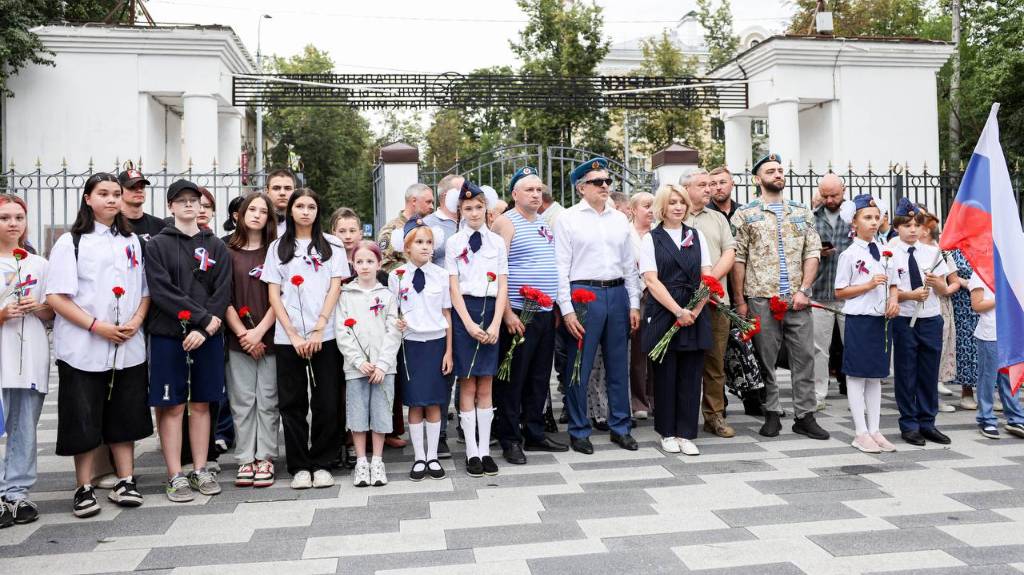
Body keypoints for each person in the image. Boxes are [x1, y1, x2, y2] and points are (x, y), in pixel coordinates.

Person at [46, 173, 152, 518]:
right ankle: (84, 486)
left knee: (125, 414)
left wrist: (136, 320)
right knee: (83, 416)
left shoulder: (131, 241)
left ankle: (126, 480)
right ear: (88, 199)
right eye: (103, 193)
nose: (111, 199)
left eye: (116, 194)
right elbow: (56, 297)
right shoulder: (72, 242)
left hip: (127, 343)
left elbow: (145, 290)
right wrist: (96, 326)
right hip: (84, 346)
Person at [730, 153, 826, 440]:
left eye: (780, 170)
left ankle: (805, 415)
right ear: (757, 179)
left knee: (804, 357)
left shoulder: (801, 211)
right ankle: (771, 412)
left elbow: (813, 252)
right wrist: (740, 301)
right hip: (761, 297)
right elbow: (738, 259)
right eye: (771, 171)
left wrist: (804, 290)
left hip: (797, 299)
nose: (778, 174)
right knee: (766, 358)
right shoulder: (745, 214)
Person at [145, 179, 230, 502]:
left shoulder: (215, 245)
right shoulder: (157, 244)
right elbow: (162, 290)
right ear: (170, 206)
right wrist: (201, 318)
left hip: (206, 336)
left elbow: (222, 290)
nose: (189, 205)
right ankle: (175, 474)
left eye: (194, 200)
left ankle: (200, 468)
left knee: (202, 403)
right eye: (181, 200)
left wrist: (205, 328)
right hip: (169, 335)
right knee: (173, 406)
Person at [555, 157, 641, 454]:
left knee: (618, 366)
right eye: (597, 182)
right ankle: (579, 429)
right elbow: (560, 267)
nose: (605, 186)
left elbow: (629, 266)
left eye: (607, 181)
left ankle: (620, 426)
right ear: (581, 188)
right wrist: (567, 309)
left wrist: (634, 303)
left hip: (616, 293)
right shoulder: (568, 218)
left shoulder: (619, 219)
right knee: (579, 365)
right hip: (583, 293)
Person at [264, 188, 347, 489]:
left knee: (326, 400)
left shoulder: (333, 244)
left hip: (325, 335)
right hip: (289, 338)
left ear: (318, 211)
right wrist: (294, 335)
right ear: (291, 210)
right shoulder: (277, 247)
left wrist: (319, 328)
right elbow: (274, 294)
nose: (305, 211)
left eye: (311, 206)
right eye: (300, 206)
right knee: (292, 403)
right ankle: (299, 465)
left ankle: (323, 461)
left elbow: (335, 287)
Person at [491, 167, 568, 465]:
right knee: (514, 378)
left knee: (539, 376)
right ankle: (510, 438)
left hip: (544, 312)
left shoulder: (544, 222)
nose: (536, 195)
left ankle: (534, 432)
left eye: (539, 190)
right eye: (529, 190)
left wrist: (556, 306)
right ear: (514, 194)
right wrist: (507, 313)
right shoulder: (505, 222)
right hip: (519, 313)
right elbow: (499, 271)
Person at [640, 184, 712, 455]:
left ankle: (686, 433)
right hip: (664, 311)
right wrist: (677, 311)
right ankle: (667, 432)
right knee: (665, 375)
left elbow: (707, 276)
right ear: (662, 207)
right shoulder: (651, 239)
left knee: (691, 376)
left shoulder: (697, 235)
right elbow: (651, 280)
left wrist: (695, 309)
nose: (678, 207)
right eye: (672, 202)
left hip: (694, 312)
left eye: (682, 202)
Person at [446, 182, 508, 477]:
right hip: (465, 314)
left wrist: (496, 323)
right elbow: (453, 287)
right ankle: (471, 450)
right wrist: (469, 324)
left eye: (478, 207)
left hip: (491, 310)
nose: (473, 212)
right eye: (468, 208)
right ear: (460, 210)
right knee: (468, 383)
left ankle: (485, 449)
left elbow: (503, 285)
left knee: (486, 384)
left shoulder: (496, 242)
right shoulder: (454, 243)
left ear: (486, 209)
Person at [0, 194, 53, 526]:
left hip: (30, 355)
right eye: (5, 218)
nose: (13, 223)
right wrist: (3, 314)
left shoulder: (38, 264)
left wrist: (39, 307)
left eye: (18, 217)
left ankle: (16, 493)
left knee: (24, 428)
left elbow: (52, 311)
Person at [833, 194, 898, 453]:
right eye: (867, 217)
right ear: (854, 222)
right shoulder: (849, 254)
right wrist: (868, 285)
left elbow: (893, 283)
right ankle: (860, 432)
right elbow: (840, 291)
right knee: (857, 375)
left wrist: (893, 300)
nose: (873, 222)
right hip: (860, 320)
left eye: (876, 217)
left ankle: (875, 429)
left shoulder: (884, 251)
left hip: (881, 320)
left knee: (875, 376)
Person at [223, 192, 279, 488]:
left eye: (263, 211)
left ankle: (265, 457)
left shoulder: (276, 251)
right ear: (241, 214)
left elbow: (281, 297)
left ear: (270, 218)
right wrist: (244, 334)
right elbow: (223, 297)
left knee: (267, 400)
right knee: (242, 401)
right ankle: (245, 458)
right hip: (239, 339)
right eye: (252, 209)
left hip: (270, 336)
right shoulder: (227, 251)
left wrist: (259, 333)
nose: (257, 215)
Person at [389, 219, 453, 480]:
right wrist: (397, 321)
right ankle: (419, 457)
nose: (425, 247)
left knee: (434, 402)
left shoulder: (441, 275)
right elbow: (392, 311)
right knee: (415, 403)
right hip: (410, 345)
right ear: (407, 247)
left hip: (436, 344)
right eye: (419, 242)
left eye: (429, 242)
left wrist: (449, 351)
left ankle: (433, 456)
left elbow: (446, 313)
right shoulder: (396, 276)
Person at [888, 197, 954, 446]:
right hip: (905, 320)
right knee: (906, 373)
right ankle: (909, 423)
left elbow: (946, 288)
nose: (913, 229)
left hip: (931, 319)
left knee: (928, 372)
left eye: (917, 225)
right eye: (907, 225)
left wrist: (937, 283)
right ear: (897, 227)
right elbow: (887, 292)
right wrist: (909, 295)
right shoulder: (889, 254)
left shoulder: (933, 253)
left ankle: (928, 422)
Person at [337, 241, 402, 486]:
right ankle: (361, 462)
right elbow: (342, 332)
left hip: (383, 368)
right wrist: (358, 361)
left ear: (379, 264)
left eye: (370, 261)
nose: (365, 266)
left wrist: (383, 364)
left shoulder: (387, 296)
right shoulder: (345, 295)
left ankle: (377, 461)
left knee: (381, 413)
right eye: (360, 262)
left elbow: (393, 332)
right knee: (357, 413)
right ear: (353, 264)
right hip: (357, 368)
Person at [681, 168, 736, 438]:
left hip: (715, 301)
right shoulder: (673, 216)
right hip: (681, 305)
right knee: (683, 362)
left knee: (715, 363)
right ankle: (682, 415)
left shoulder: (717, 218)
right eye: (702, 185)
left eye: (710, 184)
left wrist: (708, 283)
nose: (709, 189)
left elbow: (730, 252)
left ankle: (714, 416)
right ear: (686, 189)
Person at [811, 174, 853, 410]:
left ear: (843, 191)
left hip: (850, 295)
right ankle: (818, 395)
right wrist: (818, 252)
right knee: (818, 349)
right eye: (825, 195)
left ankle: (857, 394)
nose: (829, 200)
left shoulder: (855, 217)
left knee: (853, 346)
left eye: (834, 195)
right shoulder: (812, 218)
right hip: (820, 292)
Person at [970, 271, 1024, 439]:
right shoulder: (980, 272)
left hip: (1011, 332)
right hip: (990, 333)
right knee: (988, 378)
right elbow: (977, 305)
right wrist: (1002, 299)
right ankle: (986, 419)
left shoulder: (1012, 269)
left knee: (1009, 378)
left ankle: (1015, 418)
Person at [627, 191, 654, 419]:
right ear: (633, 210)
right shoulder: (625, 234)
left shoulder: (659, 233)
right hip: (635, 295)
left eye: (654, 205)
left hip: (658, 295)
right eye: (646, 205)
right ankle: (639, 401)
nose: (651, 210)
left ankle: (656, 397)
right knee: (637, 352)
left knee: (658, 350)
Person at [379, 183, 435, 272]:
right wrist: (411, 272)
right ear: (414, 201)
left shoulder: (426, 228)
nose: (432, 206)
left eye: (432, 203)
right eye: (428, 202)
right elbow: (386, 264)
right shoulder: (392, 229)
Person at [950, 249, 979, 409]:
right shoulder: (954, 249)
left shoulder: (989, 245)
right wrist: (962, 281)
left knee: (989, 346)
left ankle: (989, 392)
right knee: (965, 346)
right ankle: (966, 392)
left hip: (987, 299)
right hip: (962, 302)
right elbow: (947, 274)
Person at [118, 167, 167, 247]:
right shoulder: (113, 225)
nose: (139, 190)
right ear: (120, 191)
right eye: (132, 187)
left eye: (142, 187)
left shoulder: (159, 225)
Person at [266, 168, 298, 236]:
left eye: (287, 188)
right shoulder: (257, 221)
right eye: (276, 188)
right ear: (267, 191)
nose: (282, 193)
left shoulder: (305, 223)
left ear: (295, 192)